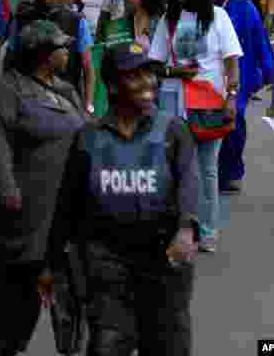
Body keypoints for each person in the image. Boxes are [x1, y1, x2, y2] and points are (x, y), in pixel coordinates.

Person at [49, 42, 199, 356]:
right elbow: (67, 205)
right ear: (113, 86)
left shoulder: (173, 131)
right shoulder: (88, 138)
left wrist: (186, 229)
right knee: (107, 345)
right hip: (106, 260)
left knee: (168, 346)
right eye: (135, 77)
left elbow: (188, 185)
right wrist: (52, 266)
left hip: (164, 261)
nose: (148, 84)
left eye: (150, 74)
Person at [0, 20, 87, 356]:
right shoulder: (5, 92)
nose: (67, 52)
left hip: (67, 223)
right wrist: (11, 199)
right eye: (60, 47)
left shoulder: (66, 91)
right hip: (22, 225)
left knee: (72, 318)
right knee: (15, 322)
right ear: (41, 54)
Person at [149, 0, 242, 253]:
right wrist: (175, 73)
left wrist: (232, 96)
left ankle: (208, 231)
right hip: (172, 105)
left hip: (209, 105)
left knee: (207, 169)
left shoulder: (218, 17)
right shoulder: (169, 18)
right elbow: (154, 64)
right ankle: (179, 227)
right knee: (174, 168)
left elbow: (231, 61)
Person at [208, 0, 274, 195]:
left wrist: (270, 72)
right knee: (209, 125)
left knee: (235, 124)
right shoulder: (201, 6)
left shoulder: (245, 6)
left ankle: (233, 172)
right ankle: (210, 170)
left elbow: (260, 41)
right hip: (209, 75)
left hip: (241, 75)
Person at [7, 0, 96, 115]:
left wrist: (88, 104)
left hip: (65, 100)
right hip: (28, 98)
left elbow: (87, 65)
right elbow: (11, 58)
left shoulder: (76, 21)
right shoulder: (22, 18)